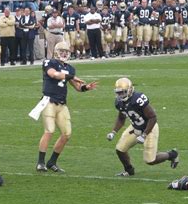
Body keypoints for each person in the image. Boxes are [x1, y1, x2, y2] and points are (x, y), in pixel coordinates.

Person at [32, 42, 97, 173]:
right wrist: (71, 76)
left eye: (66, 52)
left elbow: (77, 87)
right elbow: (53, 74)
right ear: (56, 51)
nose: (64, 54)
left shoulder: (70, 68)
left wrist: (86, 88)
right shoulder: (49, 63)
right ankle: (40, 162)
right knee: (49, 131)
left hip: (62, 104)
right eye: (62, 51)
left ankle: (52, 162)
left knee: (67, 134)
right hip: (49, 101)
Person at [106, 78, 179, 176]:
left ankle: (172, 155)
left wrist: (144, 135)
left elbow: (153, 117)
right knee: (120, 149)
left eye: (123, 92)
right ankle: (129, 170)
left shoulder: (138, 99)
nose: (120, 95)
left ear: (130, 90)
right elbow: (121, 118)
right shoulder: (119, 102)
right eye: (118, 93)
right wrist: (113, 132)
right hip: (135, 128)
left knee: (150, 160)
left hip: (149, 128)